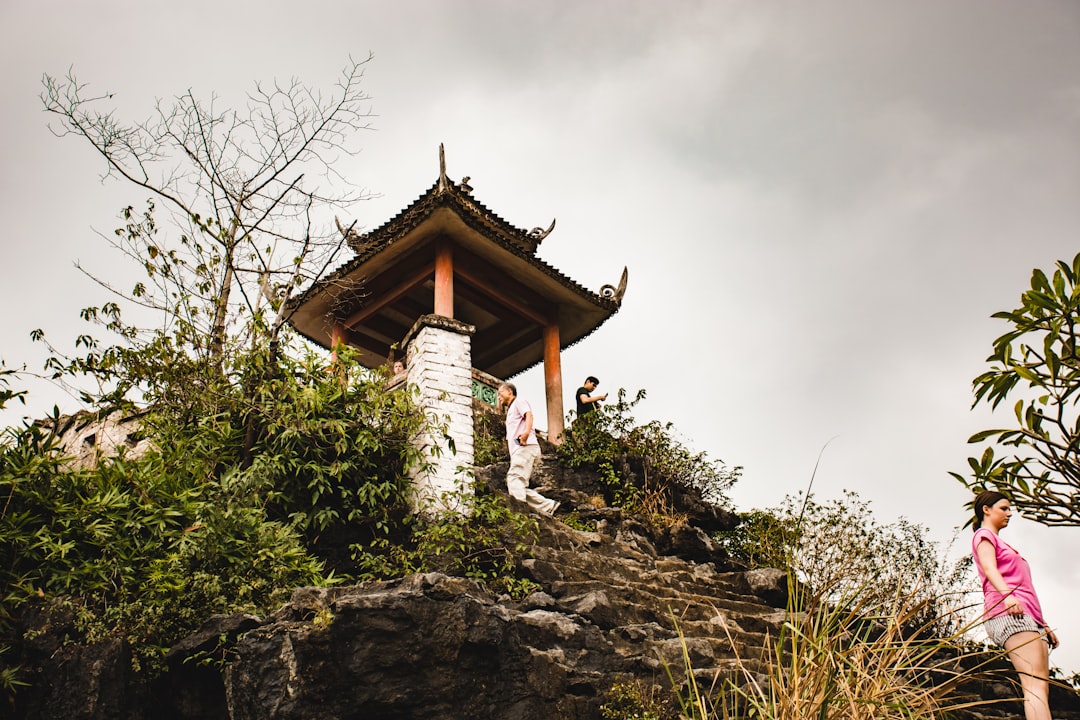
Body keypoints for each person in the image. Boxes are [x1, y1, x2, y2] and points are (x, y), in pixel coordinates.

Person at [971, 490, 1060, 720]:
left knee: (1040, 688)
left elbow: (1025, 588)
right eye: (1004, 508)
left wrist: (1044, 624)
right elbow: (990, 569)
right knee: (1033, 685)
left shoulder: (1005, 545)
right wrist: (1007, 596)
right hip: (1007, 612)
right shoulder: (983, 535)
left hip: (1028, 617)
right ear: (986, 510)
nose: (1009, 513)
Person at [497, 382, 559, 516]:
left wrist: (526, 433)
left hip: (525, 447)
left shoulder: (519, 401)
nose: (498, 396)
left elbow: (529, 415)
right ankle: (548, 506)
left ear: (509, 391)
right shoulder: (511, 410)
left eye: (500, 392)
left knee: (514, 478)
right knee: (518, 484)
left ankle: (520, 512)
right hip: (521, 450)